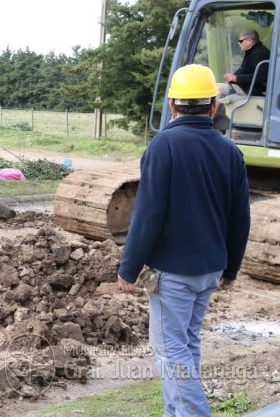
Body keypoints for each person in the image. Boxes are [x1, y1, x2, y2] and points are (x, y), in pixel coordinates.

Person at [117, 65, 250, 417]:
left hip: (174, 273)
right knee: (186, 345)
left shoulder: (164, 145)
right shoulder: (230, 151)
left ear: (173, 105)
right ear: (213, 106)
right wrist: (231, 268)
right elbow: (240, 219)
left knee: (169, 350)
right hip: (210, 269)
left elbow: (148, 215)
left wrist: (128, 268)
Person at [218, 28, 271, 101]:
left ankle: (212, 112)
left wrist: (236, 78)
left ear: (249, 41)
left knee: (216, 89)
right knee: (216, 88)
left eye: (241, 41)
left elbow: (261, 77)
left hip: (250, 91)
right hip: (244, 88)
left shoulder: (260, 53)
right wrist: (231, 77)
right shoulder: (251, 52)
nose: (239, 43)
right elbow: (244, 70)